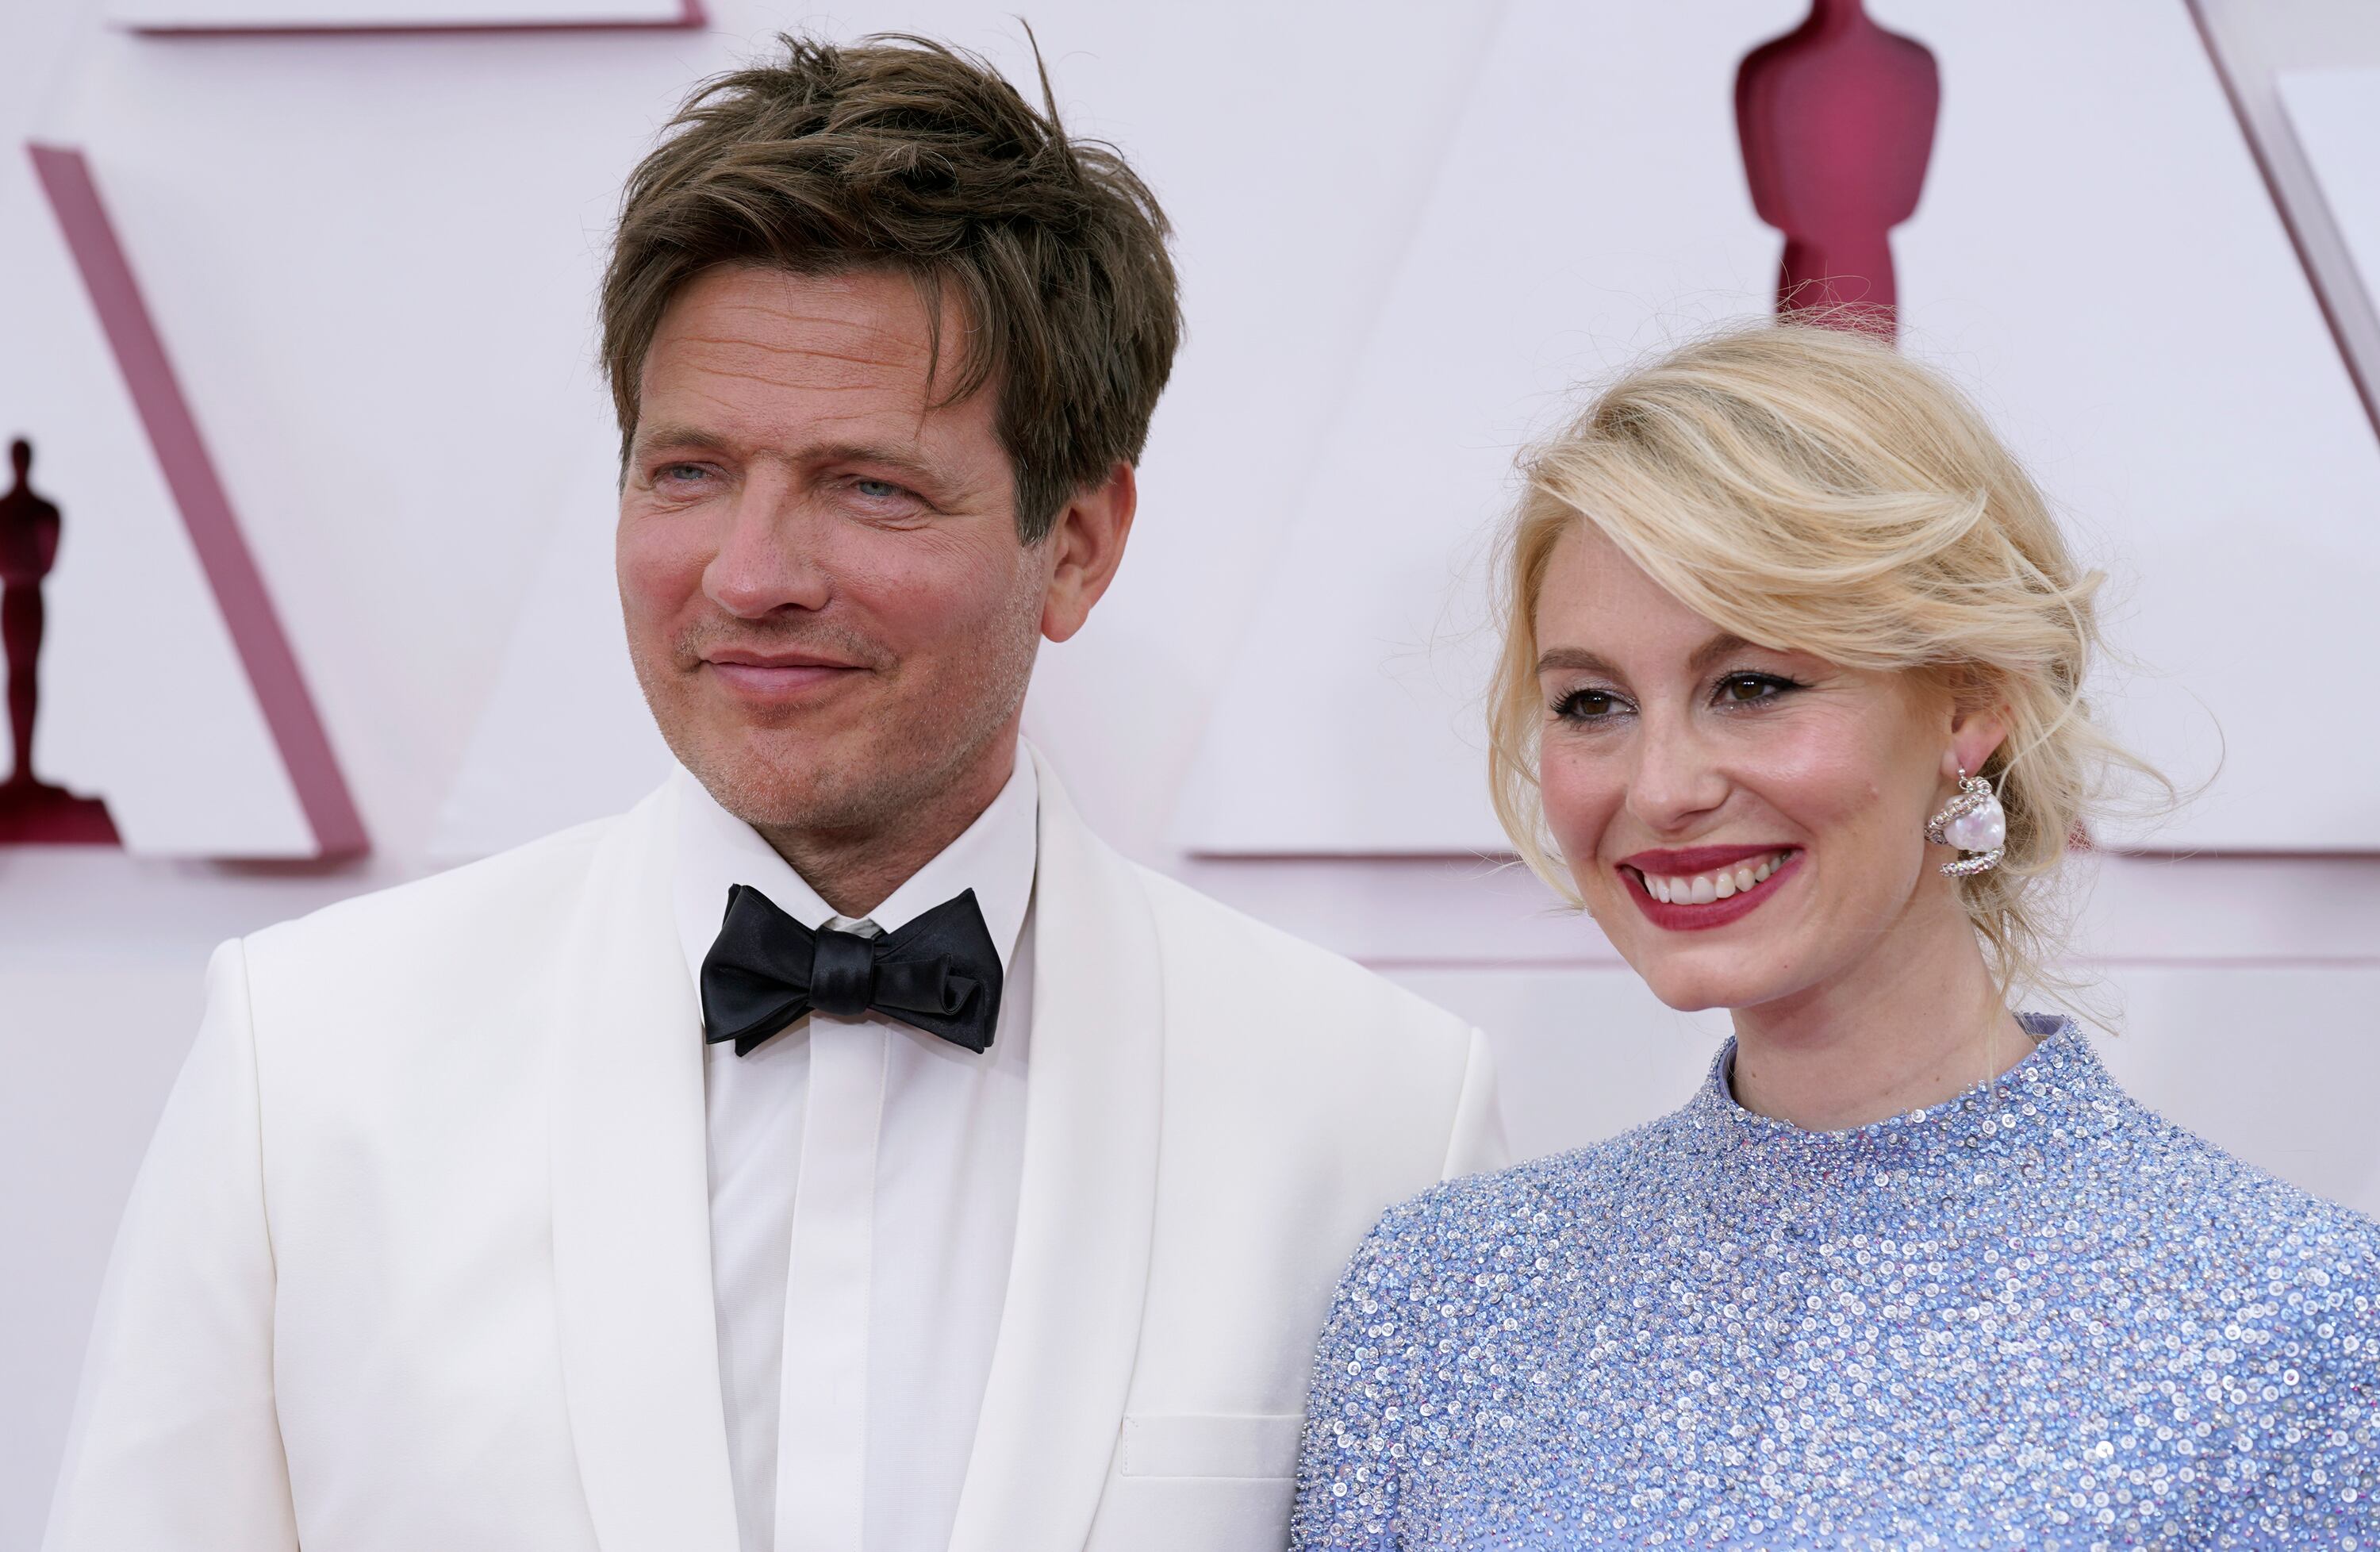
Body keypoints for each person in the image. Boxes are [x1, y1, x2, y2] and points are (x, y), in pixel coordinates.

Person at [44, 34, 1503, 1552]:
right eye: (686, 474)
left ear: (1075, 541)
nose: (749, 578)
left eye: (869, 486)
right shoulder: (309, 1062)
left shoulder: (1382, 1119)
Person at [1291, 322, 2380, 1548]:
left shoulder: (2298, 1323)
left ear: (1968, 702)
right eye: (1592, 704)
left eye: (1751, 685)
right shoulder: (1442, 1305)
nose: (1660, 786)